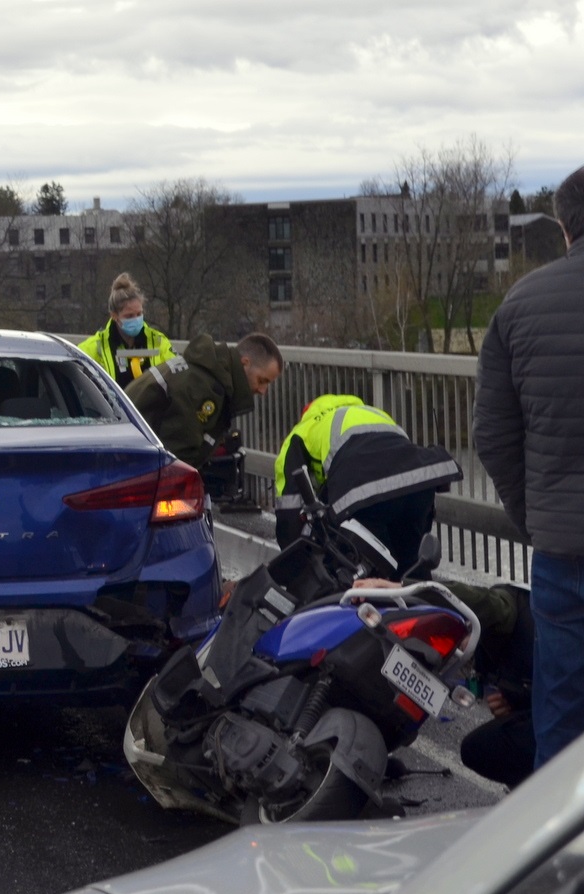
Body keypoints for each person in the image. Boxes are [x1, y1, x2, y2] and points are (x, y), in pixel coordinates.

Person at [474, 163, 584, 771]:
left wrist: (534, 515)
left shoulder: (520, 305)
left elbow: (491, 436)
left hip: (563, 552)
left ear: (565, 228)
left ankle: (560, 853)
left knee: (562, 714)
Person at [355, 576, 533, 788]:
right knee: (483, 745)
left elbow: (481, 601)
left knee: (479, 748)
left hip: (568, 730)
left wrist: (401, 588)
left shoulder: (508, 609)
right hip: (549, 713)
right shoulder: (491, 657)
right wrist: (517, 707)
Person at [274, 394, 462, 578]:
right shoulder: (374, 413)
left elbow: (290, 506)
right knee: (412, 568)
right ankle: (423, 604)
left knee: (367, 573)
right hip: (416, 485)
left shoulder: (304, 430)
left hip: (364, 493)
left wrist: (294, 568)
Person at [124, 332, 283, 471]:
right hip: (128, 458)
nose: (263, 391)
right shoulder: (206, 390)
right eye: (262, 381)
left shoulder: (205, 370)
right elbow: (177, 459)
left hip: (127, 445)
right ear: (245, 363)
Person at [77, 273, 175, 389]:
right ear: (114, 316)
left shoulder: (158, 342)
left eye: (139, 314)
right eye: (129, 316)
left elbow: (177, 375)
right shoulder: (97, 346)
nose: (136, 319)